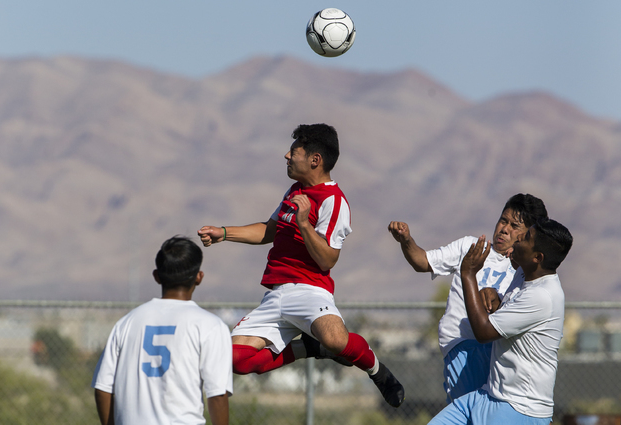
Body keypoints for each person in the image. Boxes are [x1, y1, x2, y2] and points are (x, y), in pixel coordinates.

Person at [198, 123, 405, 408]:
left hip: (310, 291)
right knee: (235, 360)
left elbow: (327, 259)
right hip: (275, 294)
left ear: (314, 160)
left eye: (293, 151)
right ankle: (308, 347)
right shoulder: (294, 190)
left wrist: (305, 223)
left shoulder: (334, 201)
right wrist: (224, 232)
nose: (286, 155)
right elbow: (268, 231)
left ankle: (377, 371)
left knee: (335, 339)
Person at [387, 193, 547, 403]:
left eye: (515, 226)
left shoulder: (526, 270)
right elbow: (422, 261)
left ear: (530, 235)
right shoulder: (471, 248)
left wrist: (498, 302)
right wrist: (406, 240)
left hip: (501, 354)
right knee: (467, 411)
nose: (504, 229)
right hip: (462, 345)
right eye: (503, 220)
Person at [428, 217, 573, 424]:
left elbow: (484, 332)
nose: (519, 236)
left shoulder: (542, 296)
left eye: (527, 237)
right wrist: (496, 298)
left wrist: (468, 274)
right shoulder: (525, 274)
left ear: (537, 257)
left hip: (519, 408)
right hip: (487, 396)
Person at [92, 236, 233, 425]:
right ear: (199, 277)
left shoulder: (127, 323)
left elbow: (103, 388)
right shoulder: (211, 326)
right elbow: (217, 395)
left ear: (156, 276)